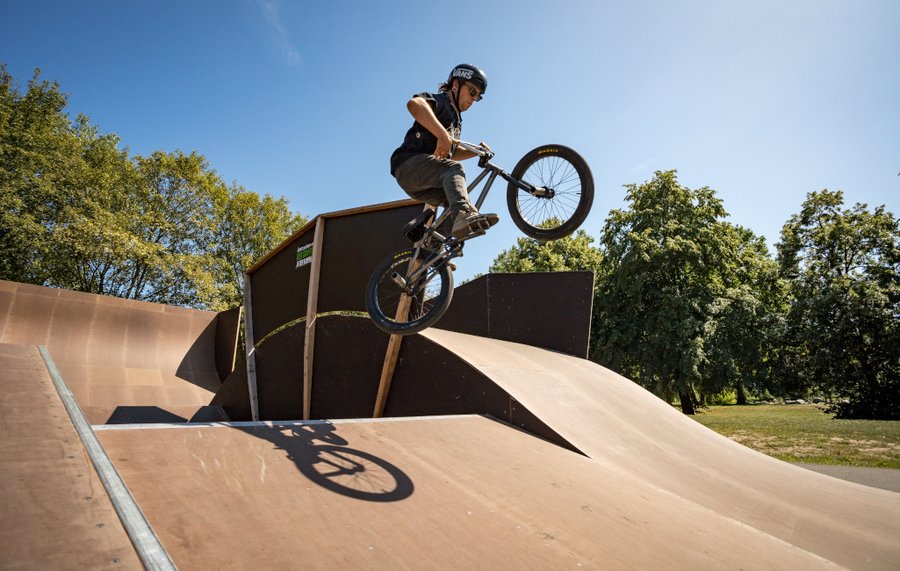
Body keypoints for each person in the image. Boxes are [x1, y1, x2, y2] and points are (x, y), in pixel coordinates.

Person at [389, 63, 499, 241]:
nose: (473, 99)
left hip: (424, 182)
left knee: (453, 201)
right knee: (455, 170)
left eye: (477, 97)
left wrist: (476, 152)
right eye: (472, 92)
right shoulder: (442, 102)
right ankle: (464, 214)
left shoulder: (456, 121)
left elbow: (451, 152)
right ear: (455, 85)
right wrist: (442, 135)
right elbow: (414, 104)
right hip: (407, 165)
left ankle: (433, 248)